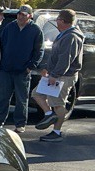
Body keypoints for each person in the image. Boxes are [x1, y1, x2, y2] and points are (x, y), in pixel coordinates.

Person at [33, 9, 85, 142]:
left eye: (58, 20)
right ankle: (50, 114)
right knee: (37, 94)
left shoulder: (71, 36)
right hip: (56, 74)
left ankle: (56, 132)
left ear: (63, 21)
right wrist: (47, 69)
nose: (56, 22)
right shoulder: (64, 34)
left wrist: (55, 75)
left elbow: (65, 59)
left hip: (64, 76)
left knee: (58, 104)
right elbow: (56, 57)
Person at [0, 5, 43, 133]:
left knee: (22, 99)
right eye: (20, 14)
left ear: (30, 16)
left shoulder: (35, 30)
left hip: (23, 71)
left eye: (24, 15)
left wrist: (30, 67)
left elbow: (39, 51)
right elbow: (1, 46)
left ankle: (20, 124)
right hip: (6, 69)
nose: (21, 16)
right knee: (3, 97)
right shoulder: (9, 27)